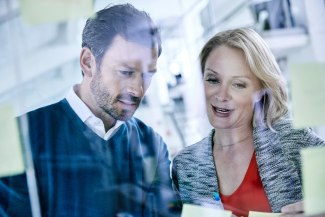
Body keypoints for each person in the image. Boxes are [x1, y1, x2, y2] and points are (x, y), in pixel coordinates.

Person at [0, 4, 179, 217]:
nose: (138, 89)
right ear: (88, 63)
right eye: (126, 72)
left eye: (148, 75)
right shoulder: (22, 138)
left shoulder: (151, 143)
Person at [171, 27, 325, 217]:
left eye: (238, 84)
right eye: (213, 80)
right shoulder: (185, 165)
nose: (221, 95)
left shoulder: (292, 139)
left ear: (261, 90)